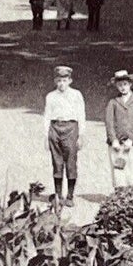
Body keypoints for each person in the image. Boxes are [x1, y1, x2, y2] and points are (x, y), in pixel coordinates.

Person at [43, 64, 85, 206]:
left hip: (71, 128)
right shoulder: (51, 96)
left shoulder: (76, 95)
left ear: (70, 81)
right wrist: (45, 136)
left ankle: (70, 196)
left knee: (71, 162)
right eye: (59, 81)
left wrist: (81, 135)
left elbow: (81, 115)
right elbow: (47, 116)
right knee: (57, 162)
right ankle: (58, 194)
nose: (62, 84)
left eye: (65, 80)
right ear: (55, 81)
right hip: (55, 128)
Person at [105, 69, 133, 187]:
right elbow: (109, 122)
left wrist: (131, 139)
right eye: (119, 85)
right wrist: (113, 140)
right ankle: (120, 196)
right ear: (116, 87)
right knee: (118, 170)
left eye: (125, 84)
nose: (122, 87)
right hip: (117, 143)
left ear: (130, 85)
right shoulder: (113, 102)